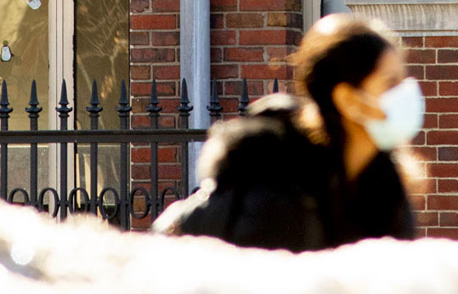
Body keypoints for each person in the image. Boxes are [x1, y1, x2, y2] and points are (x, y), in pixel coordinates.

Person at [153, 14, 425, 249]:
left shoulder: (385, 187)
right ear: (348, 100)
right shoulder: (278, 195)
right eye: (390, 82)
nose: (406, 92)